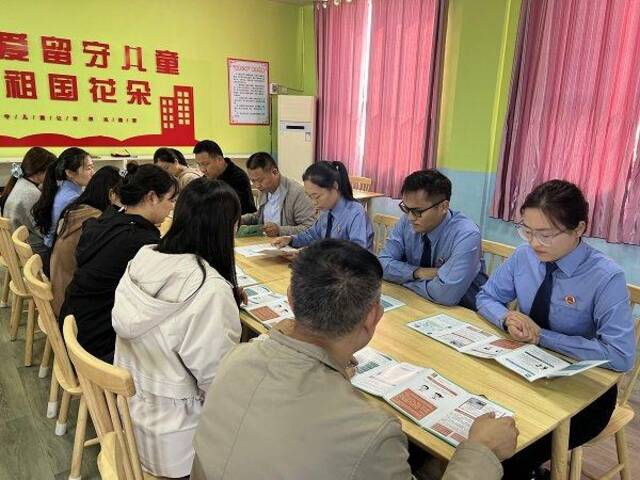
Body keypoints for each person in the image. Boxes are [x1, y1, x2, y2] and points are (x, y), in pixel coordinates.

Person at [191, 239, 519, 480]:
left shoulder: (237, 358)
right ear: (373, 317)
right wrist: (480, 450)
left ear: (291, 299)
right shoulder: (371, 432)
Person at [476, 179, 636, 479]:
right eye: (527, 231)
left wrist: (543, 336)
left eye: (546, 234)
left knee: (509, 454)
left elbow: (621, 355)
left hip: (584, 391)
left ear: (579, 229)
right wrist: (506, 319)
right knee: (471, 423)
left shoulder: (605, 277)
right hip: (523, 368)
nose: (535, 243)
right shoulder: (524, 257)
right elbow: (487, 296)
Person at [112, 179, 242, 478]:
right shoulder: (208, 289)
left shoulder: (144, 257)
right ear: (224, 229)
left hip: (129, 415)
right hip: (178, 442)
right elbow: (218, 382)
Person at [59, 164, 177, 363]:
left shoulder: (107, 221)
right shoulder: (140, 242)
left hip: (75, 325)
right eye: (171, 200)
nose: (173, 206)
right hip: (99, 345)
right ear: (152, 197)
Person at [378, 170, 487, 310]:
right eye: (406, 209)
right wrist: (417, 273)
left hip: (463, 311)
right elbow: (381, 264)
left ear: (443, 207)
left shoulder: (466, 234)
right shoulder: (407, 221)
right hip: (421, 302)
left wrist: (402, 279)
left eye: (417, 211)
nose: (410, 217)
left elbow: (445, 295)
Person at [49, 166, 123, 318]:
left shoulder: (76, 209)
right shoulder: (95, 220)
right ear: (111, 194)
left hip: (58, 293)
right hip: (70, 307)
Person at [272, 161, 374, 251]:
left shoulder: (355, 213)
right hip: (329, 268)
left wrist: (316, 255)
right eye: (310, 197)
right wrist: (290, 240)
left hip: (354, 270)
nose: (314, 202)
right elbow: (312, 235)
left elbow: (357, 253)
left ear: (334, 186)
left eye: (317, 196)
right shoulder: (326, 211)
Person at [32, 147, 95, 250]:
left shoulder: (61, 188)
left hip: (51, 246)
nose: (93, 173)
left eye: (92, 167)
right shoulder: (72, 199)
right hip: (56, 253)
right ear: (70, 173)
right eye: (88, 168)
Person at [0, 147, 57, 259]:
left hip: (16, 247)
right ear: (40, 171)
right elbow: (42, 232)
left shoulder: (20, 184)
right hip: (30, 252)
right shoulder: (31, 193)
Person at [241, 152, 316, 236]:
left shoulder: (297, 193)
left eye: (260, 180)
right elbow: (260, 216)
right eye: (253, 181)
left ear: (275, 172)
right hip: (265, 242)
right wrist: (242, 220)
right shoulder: (265, 190)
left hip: (289, 246)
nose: (257, 185)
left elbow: (310, 228)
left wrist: (280, 230)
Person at [193, 140, 256, 214]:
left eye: (206, 164)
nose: (202, 169)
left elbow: (230, 208)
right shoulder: (206, 178)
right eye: (199, 164)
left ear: (219, 159)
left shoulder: (238, 177)